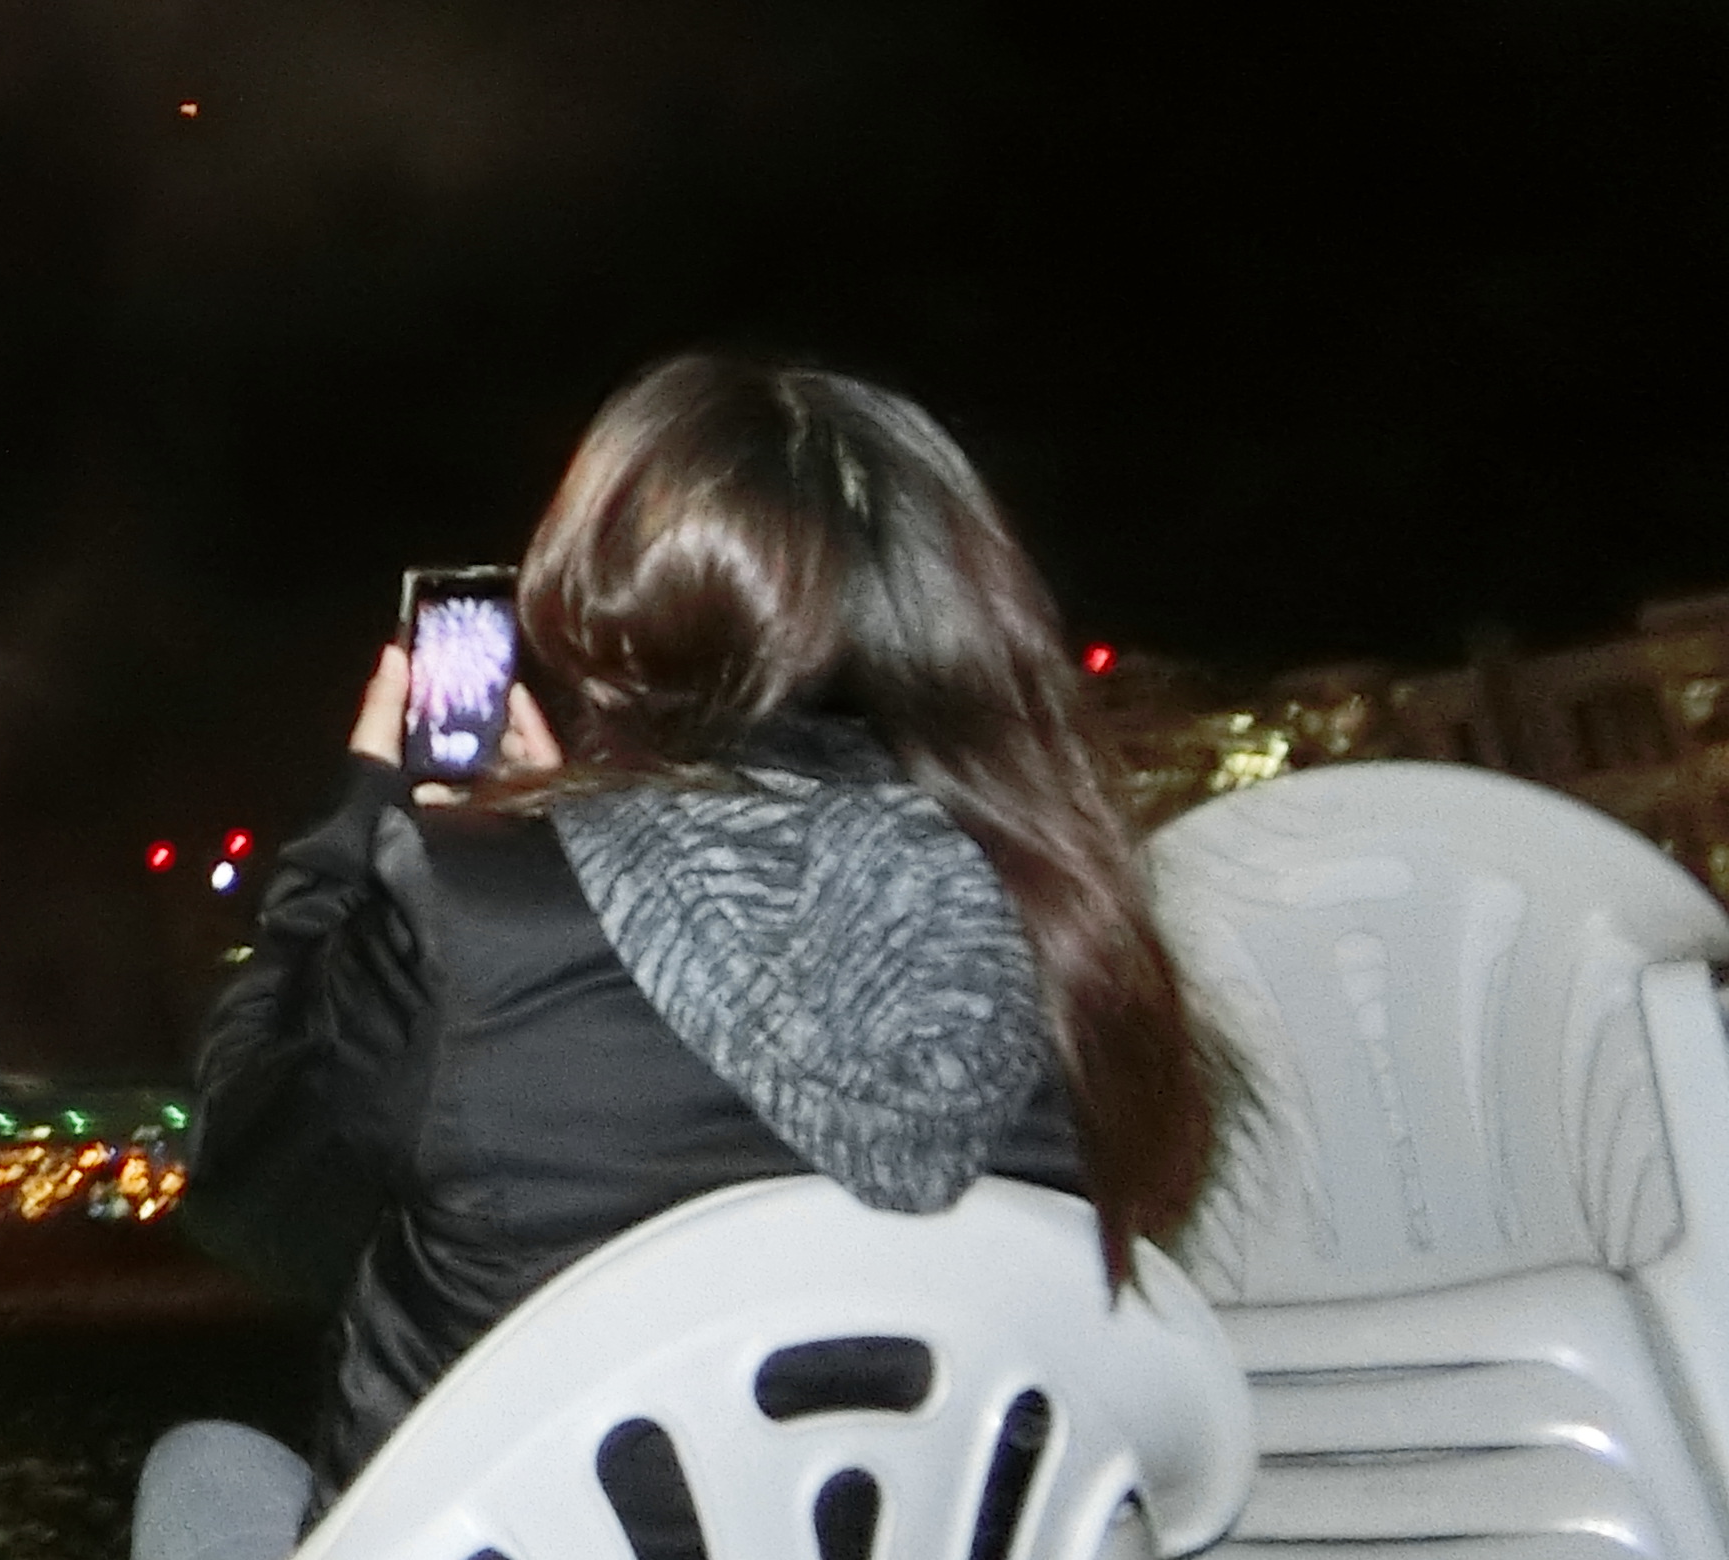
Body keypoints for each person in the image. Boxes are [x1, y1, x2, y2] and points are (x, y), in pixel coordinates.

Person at [140, 354, 1223, 1560]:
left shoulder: (460, 907)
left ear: (599, 611)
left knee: (206, 1472)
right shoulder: (1077, 924)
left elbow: (252, 1204)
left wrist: (364, 833)